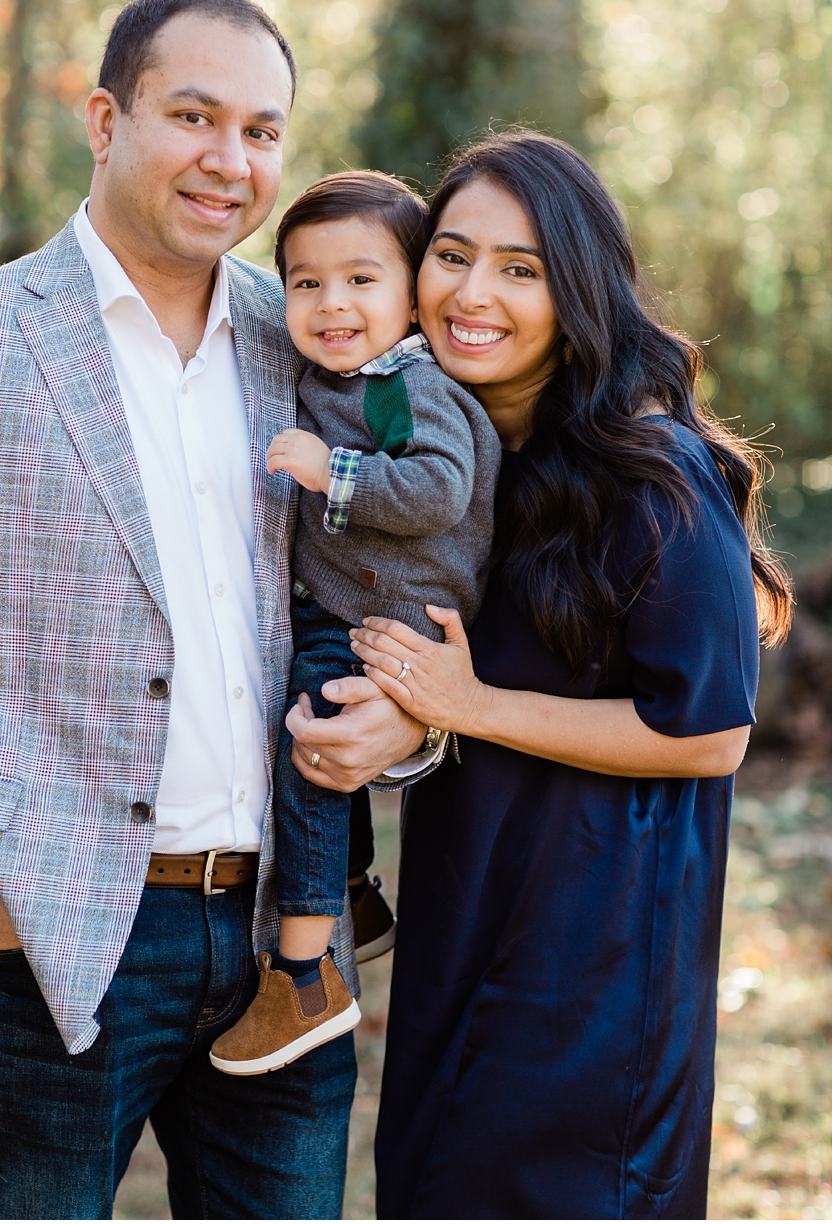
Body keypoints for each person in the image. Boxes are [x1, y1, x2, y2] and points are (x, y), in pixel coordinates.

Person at [0, 0, 422, 1217]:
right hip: (51, 937)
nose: (230, 160)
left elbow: (395, 568)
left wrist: (414, 726)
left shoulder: (309, 341)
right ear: (106, 120)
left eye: (262, 130)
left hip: (281, 940)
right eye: (193, 115)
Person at [286, 130, 794, 1217]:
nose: (473, 293)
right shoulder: (468, 470)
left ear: (579, 292)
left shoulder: (650, 477)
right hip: (461, 920)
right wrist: (413, 721)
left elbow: (710, 731)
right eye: (452, 255)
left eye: (520, 269)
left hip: (593, 962)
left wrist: (461, 706)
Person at [210, 172, 501, 1075]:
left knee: (311, 752)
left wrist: (331, 471)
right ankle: (354, 891)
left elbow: (437, 490)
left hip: (393, 615)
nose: (331, 303)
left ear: (414, 290)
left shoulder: (404, 387)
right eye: (305, 283)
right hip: (348, 601)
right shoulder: (337, 374)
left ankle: (302, 974)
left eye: (361, 280)